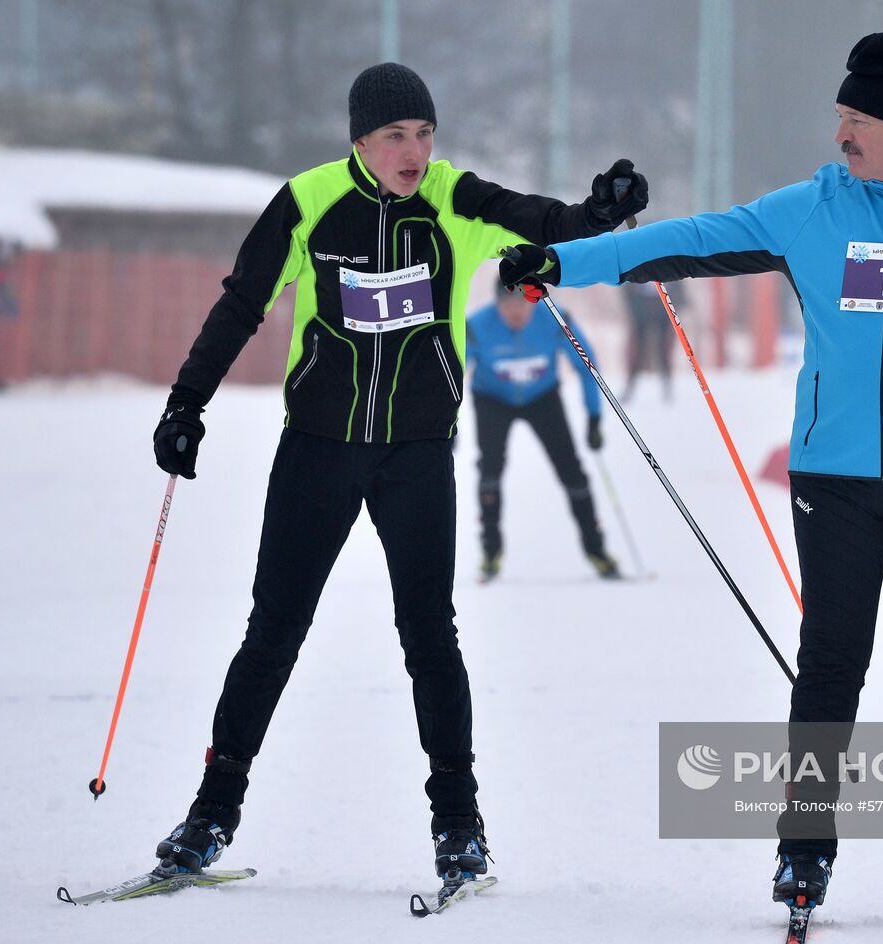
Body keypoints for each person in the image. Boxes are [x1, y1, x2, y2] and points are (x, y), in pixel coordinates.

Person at [500, 33, 883, 916]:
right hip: (832, 478)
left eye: (857, 119)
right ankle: (804, 851)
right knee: (830, 665)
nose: (841, 132)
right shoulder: (813, 208)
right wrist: (559, 261)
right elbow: (690, 240)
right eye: (840, 116)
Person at [148, 62, 647, 888]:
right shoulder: (308, 201)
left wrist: (599, 211)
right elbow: (242, 303)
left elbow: (545, 222)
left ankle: (459, 825)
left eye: (424, 134)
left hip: (416, 454)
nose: (415, 152)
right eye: (395, 136)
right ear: (360, 141)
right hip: (318, 450)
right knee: (273, 633)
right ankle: (210, 815)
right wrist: (185, 404)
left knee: (429, 636)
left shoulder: (454, 198)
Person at [465, 276, 619, 582]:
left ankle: (596, 549)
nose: (516, 312)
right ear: (497, 304)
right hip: (492, 398)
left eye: (522, 304)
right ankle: (491, 551)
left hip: (542, 397)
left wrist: (594, 417)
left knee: (571, 470)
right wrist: (447, 423)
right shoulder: (477, 326)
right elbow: (453, 374)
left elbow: (587, 366)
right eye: (507, 305)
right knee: (490, 469)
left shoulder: (554, 318)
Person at [619, 278, 677, 402]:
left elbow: (677, 280)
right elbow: (627, 282)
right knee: (637, 350)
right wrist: (631, 303)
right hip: (641, 304)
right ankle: (630, 388)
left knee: (664, 349)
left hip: (664, 302)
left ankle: (668, 389)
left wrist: (677, 302)